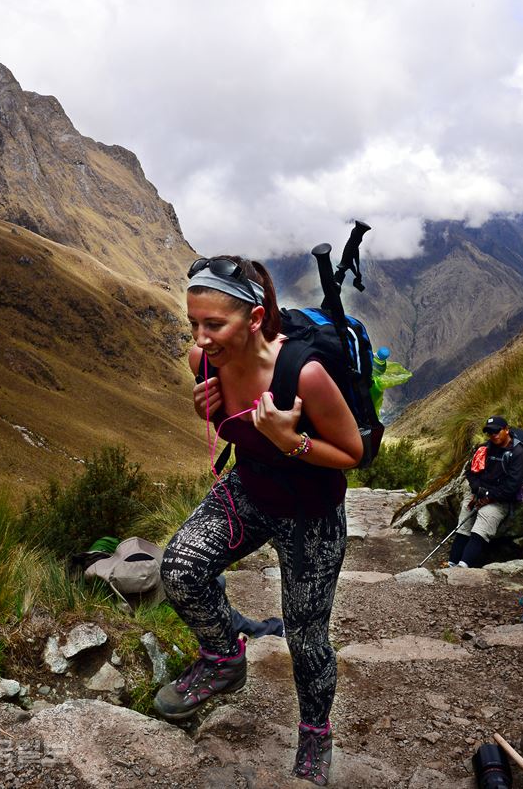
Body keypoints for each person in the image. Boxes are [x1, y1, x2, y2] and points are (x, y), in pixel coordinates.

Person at [153, 255, 363, 786]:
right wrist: (206, 410)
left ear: (253, 318)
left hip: (311, 515)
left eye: (213, 325)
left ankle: (316, 732)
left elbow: (351, 452)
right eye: (194, 324)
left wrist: (291, 441)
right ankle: (224, 657)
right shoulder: (209, 361)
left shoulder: (304, 372)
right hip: (250, 490)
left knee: (306, 634)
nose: (200, 338)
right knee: (180, 567)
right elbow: (229, 422)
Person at [448, 415, 523, 568]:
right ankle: (452, 563)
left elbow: (512, 486)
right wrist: (478, 490)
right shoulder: (483, 449)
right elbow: (471, 472)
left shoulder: (518, 453)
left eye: (497, 431)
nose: (493, 435)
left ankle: (463, 567)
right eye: (490, 432)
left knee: (482, 526)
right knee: (463, 525)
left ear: (506, 430)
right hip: (478, 494)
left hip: (500, 500)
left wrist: (489, 496)